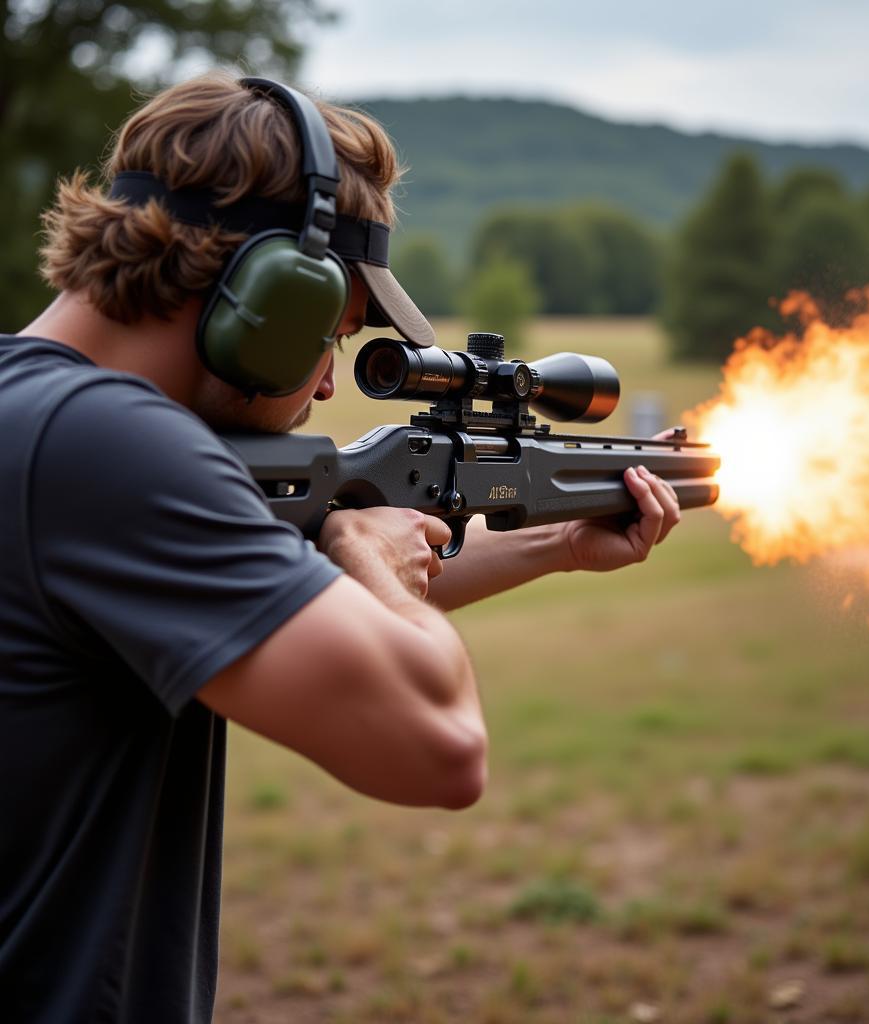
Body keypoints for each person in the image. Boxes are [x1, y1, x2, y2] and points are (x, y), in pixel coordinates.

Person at [0, 72, 682, 1021]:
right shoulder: (112, 449)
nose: (325, 385)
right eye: (333, 334)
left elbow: (287, 594)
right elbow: (440, 750)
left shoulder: (35, 417)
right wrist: (375, 565)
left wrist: (558, 542)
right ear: (268, 297)